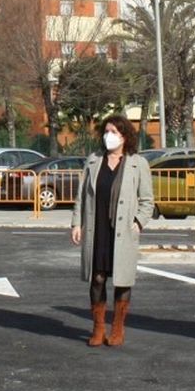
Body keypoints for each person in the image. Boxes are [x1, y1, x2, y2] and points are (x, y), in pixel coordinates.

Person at [71, 115, 154, 347]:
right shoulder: (94, 160)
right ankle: (98, 327)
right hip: (97, 229)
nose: (109, 135)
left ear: (125, 136)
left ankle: (117, 328)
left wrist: (138, 222)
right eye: (107, 131)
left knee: (122, 280)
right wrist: (77, 223)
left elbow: (147, 200)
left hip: (123, 230)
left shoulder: (138, 163)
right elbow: (81, 196)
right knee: (97, 278)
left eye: (115, 132)